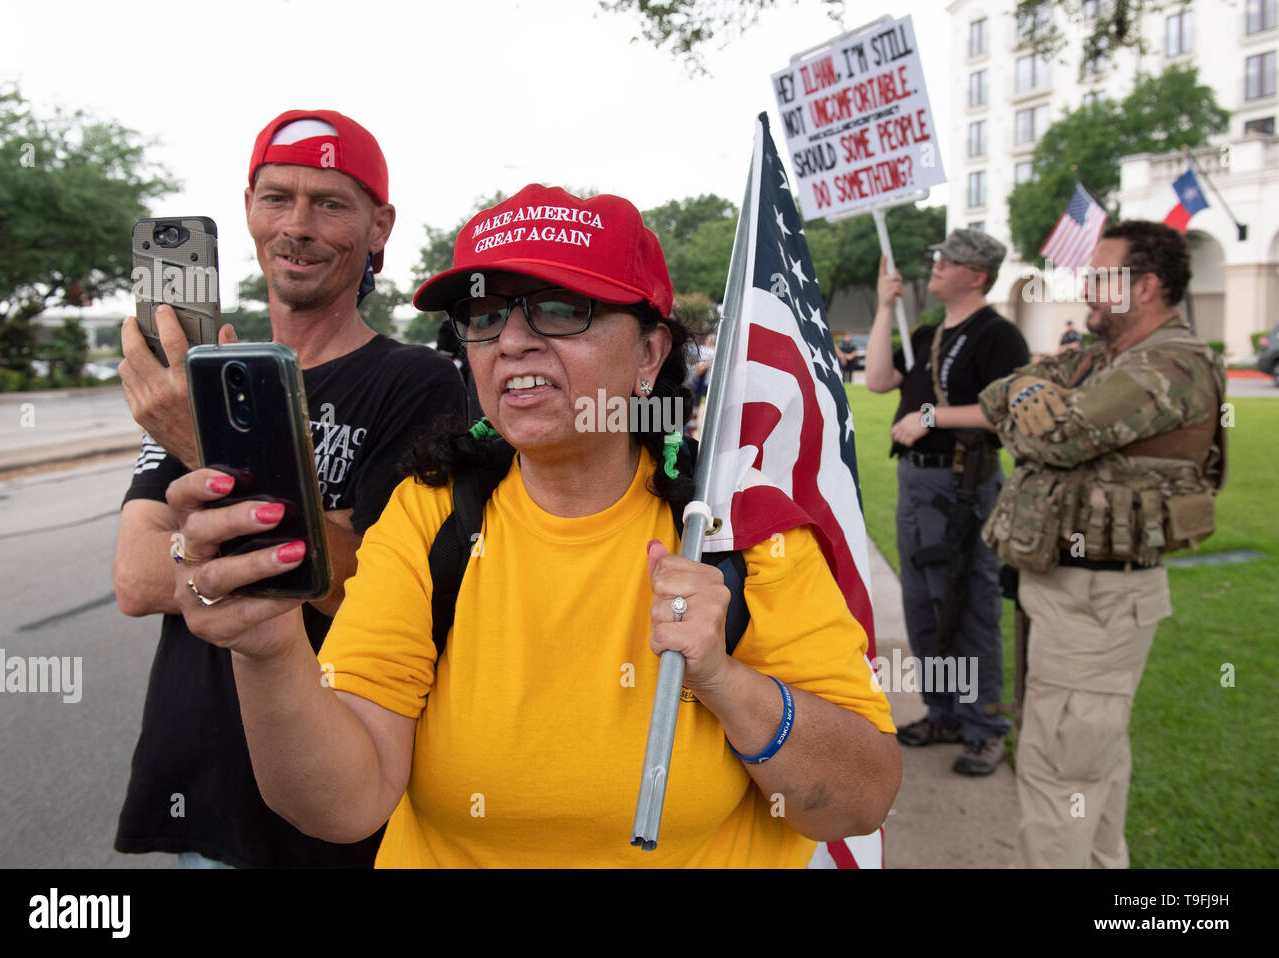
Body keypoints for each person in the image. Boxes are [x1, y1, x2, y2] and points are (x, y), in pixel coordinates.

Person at [165, 184, 901, 867]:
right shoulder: (428, 516)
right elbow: (344, 805)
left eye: (558, 308)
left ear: (650, 353)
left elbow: (861, 801)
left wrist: (724, 679)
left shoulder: (741, 531)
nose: (511, 340)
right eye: (484, 316)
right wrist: (267, 649)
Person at [112, 109, 466, 868]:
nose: (297, 225)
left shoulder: (419, 383)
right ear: (247, 210)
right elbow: (139, 578)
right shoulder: (204, 375)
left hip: (340, 792)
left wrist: (203, 455)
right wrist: (315, 532)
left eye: (330, 203)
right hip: (204, 792)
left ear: (379, 228)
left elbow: (378, 588)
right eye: (277, 197)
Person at [979, 221, 1226, 868]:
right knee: (1091, 772)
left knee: (1059, 776)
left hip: (1098, 599)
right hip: (1072, 591)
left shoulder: (1169, 366)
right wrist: (1028, 388)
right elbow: (1000, 390)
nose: (1085, 286)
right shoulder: (1099, 356)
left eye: (1101, 276)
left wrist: (1032, 400)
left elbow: (1055, 437)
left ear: (1144, 287)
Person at [863, 229, 1029, 776]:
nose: (936, 264)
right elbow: (879, 380)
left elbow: (1009, 410)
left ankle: (983, 726)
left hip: (964, 486)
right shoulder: (930, 332)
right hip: (917, 483)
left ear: (976, 275)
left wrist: (931, 417)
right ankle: (943, 713)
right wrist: (886, 306)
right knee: (925, 606)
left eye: (948, 259)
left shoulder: (998, 335)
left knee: (970, 604)